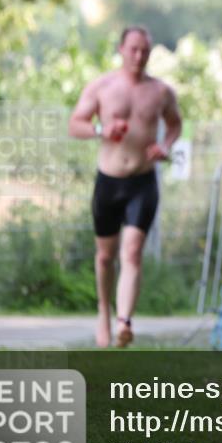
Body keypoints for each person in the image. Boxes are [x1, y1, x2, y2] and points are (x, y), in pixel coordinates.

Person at [68, 26, 182, 348]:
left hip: (143, 182)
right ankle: (104, 312)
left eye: (144, 50)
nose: (139, 56)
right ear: (121, 49)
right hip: (109, 181)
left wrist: (165, 146)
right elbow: (75, 124)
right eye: (133, 49)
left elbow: (175, 124)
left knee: (132, 252)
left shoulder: (161, 91)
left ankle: (124, 323)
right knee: (105, 257)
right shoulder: (102, 87)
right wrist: (102, 129)